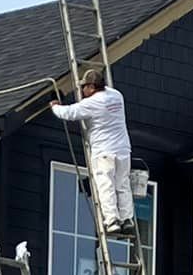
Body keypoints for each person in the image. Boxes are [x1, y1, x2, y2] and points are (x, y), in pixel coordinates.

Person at [51, 67, 133, 233]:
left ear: (92, 87)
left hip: (104, 152)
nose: (82, 90)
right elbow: (105, 91)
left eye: (84, 86)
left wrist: (54, 106)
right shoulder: (117, 96)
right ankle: (127, 219)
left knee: (106, 186)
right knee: (122, 185)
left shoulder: (92, 103)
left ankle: (112, 221)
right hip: (123, 150)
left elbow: (69, 113)